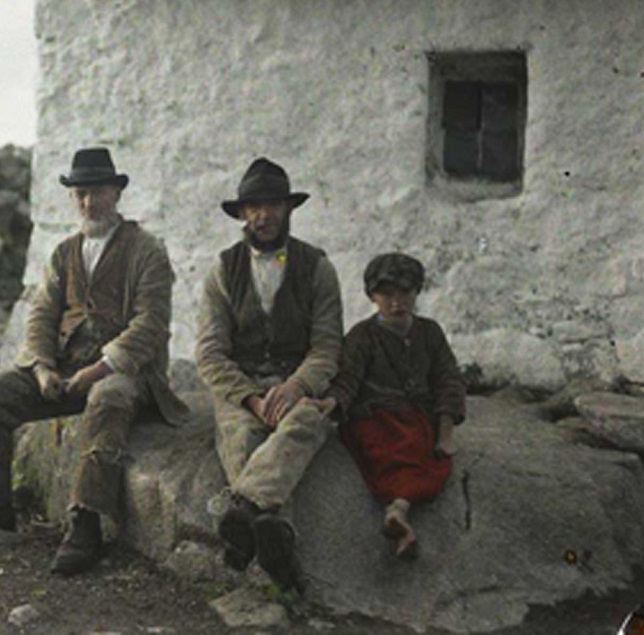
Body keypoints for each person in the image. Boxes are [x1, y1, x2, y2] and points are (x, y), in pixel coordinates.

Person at [0, 147, 188, 575]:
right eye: (80, 194)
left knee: (107, 400)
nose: (89, 203)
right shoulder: (64, 253)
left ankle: (86, 522)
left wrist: (99, 369)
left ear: (116, 192)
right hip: (64, 370)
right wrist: (42, 368)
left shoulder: (147, 250)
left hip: (127, 374)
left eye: (97, 192)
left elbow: (151, 325)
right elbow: (41, 313)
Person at [196, 157, 343, 593]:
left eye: (274, 204)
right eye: (254, 206)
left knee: (307, 421)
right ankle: (279, 545)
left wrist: (297, 385)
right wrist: (251, 399)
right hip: (242, 387)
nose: (265, 215)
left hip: (294, 380)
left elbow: (328, 345)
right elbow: (209, 352)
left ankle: (243, 509)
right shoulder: (222, 269)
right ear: (242, 214)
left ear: (289, 210)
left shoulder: (317, 266)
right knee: (243, 436)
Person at [326, 253, 467, 559]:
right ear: (372, 296)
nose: (396, 302)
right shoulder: (361, 336)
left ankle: (398, 511)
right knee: (393, 453)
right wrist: (333, 404)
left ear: (417, 292)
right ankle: (399, 511)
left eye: (405, 292)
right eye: (386, 294)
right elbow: (347, 379)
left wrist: (445, 430)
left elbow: (448, 379)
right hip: (373, 416)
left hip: (417, 415)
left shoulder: (429, 332)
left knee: (432, 458)